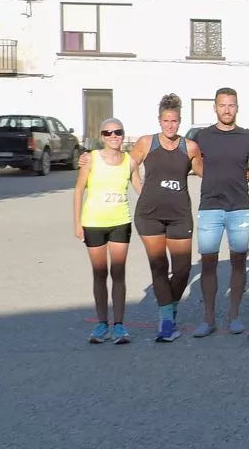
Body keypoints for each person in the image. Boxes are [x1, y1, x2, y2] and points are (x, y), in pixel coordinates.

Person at [130, 93, 203, 343]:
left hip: (179, 216)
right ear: (159, 120)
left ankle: (169, 310)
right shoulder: (146, 143)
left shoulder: (189, 147)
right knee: (159, 266)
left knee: (182, 270)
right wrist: (138, 187)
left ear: (180, 121)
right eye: (166, 121)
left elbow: (207, 172)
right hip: (149, 215)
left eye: (174, 121)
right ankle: (167, 321)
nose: (170, 126)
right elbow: (127, 166)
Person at [193, 88, 249, 337]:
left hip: (239, 208)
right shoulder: (202, 136)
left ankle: (234, 316)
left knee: (238, 261)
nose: (227, 110)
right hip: (210, 207)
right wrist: (210, 177)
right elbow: (193, 160)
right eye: (222, 105)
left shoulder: (248, 137)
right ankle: (208, 319)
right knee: (208, 263)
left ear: (237, 107)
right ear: (215, 108)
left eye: (231, 105)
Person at [74, 118, 139, 344]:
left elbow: (140, 187)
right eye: (108, 133)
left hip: (120, 222)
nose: (113, 136)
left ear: (123, 134)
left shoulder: (130, 161)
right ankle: (102, 323)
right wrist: (77, 223)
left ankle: (119, 325)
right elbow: (79, 190)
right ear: (101, 136)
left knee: (118, 272)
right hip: (94, 223)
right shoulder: (90, 159)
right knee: (100, 273)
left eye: (117, 132)